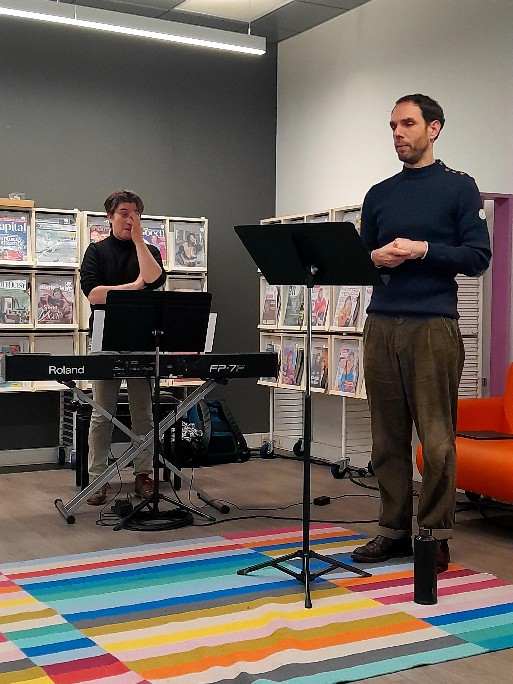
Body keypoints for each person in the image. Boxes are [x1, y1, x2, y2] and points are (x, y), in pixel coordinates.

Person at [351, 94, 491, 573]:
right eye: (392, 126)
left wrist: (423, 249)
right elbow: (360, 259)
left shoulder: (459, 188)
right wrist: (375, 257)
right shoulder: (379, 194)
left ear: (434, 129)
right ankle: (392, 531)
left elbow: (478, 257)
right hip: (380, 323)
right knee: (386, 440)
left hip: (433, 325)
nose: (397, 133)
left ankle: (434, 535)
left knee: (436, 441)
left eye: (407, 124)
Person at [80, 189, 167, 505]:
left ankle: (143, 474)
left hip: (140, 339)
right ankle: (97, 479)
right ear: (110, 217)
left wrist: (140, 241)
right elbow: (93, 294)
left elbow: (155, 280)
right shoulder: (96, 251)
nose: (130, 219)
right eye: (124, 213)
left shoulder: (149, 250)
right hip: (105, 339)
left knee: (143, 413)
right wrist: (133, 287)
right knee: (102, 413)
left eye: (135, 214)